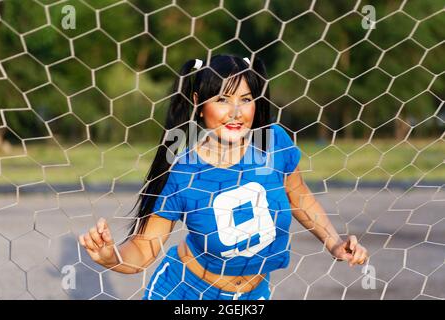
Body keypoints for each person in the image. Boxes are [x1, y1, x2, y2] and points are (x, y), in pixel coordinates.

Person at [78, 54, 368, 300]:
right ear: (199, 104)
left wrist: (333, 243)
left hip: (253, 295)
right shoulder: (182, 170)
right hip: (186, 291)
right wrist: (110, 257)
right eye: (222, 99)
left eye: (246, 99)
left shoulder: (273, 143)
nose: (237, 112)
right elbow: (143, 248)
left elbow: (299, 196)